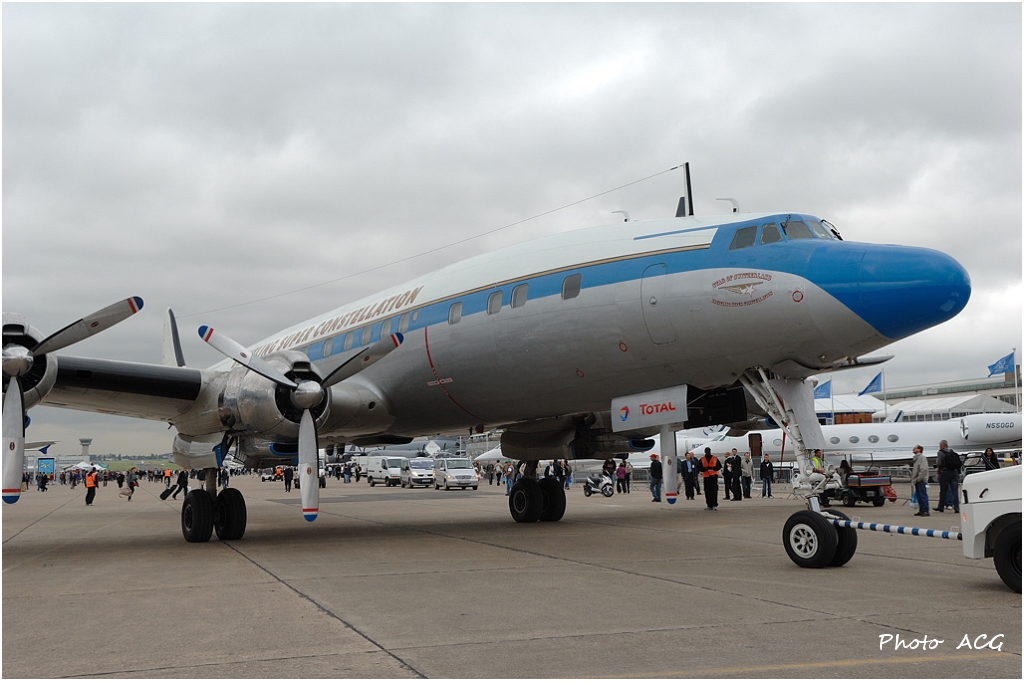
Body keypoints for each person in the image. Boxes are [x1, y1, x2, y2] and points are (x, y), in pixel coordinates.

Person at [934, 440, 960, 513]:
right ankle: (956, 508)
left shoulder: (940, 452)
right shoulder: (952, 451)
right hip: (954, 472)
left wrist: (938, 472)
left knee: (943, 491)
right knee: (955, 491)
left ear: (942, 445)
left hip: (945, 473)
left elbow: (939, 463)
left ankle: (941, 507)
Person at [909, 444, 930, 517]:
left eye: (915, 448)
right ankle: (921, 510)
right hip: (917, 480)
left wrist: (919, 478)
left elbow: (923, 469)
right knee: (919, 496)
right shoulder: (916, 458)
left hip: (921, 480)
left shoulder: (922, 458)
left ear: (919, 450)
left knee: (923, 495)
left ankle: (925, 511)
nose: (913, 449)